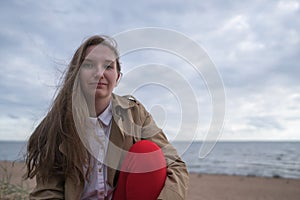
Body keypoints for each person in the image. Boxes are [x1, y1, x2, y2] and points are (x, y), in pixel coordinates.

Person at [25, 35, 189, 200]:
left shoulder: (135, 114)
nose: (99, 73)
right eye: (89, 65)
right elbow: (47, 191)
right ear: (77, 74)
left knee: (147, 152)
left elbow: (175, 165)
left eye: (108, 66)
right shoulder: (58, 123)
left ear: (118, 77)